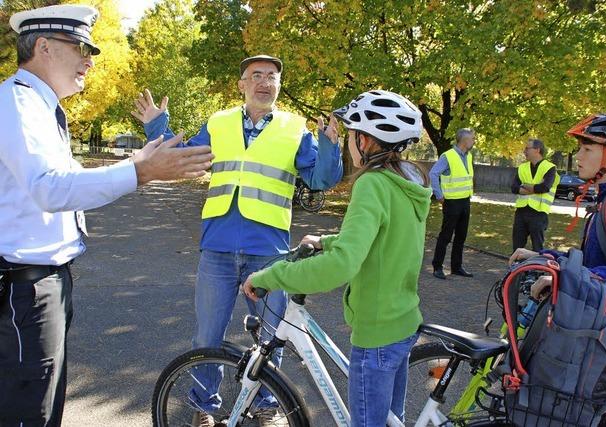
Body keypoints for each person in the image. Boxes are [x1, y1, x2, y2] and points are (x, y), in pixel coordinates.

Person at [0, 5, 213, 427]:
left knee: (40, 405)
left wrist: (134, 163)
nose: (90, 59)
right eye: (80, 47)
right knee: (28, 413)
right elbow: (51, 187)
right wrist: (139, 172)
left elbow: (64, 179)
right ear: (43, 46)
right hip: (24, 287)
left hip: (42, 283)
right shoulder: (19, 103)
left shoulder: (37, 105)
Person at [132, 55, 342, 425]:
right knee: (207, 338)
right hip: (218, 248)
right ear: (242, 84)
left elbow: (322, 180)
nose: (264, 82)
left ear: (278, 86)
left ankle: (265, 404)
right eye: (256, 76)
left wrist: (328, 146)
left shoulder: (296, 128)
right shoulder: (220, 122)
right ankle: (204, 407)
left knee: (270, 338)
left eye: (272, 77)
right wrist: (156, 127)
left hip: (270, 253)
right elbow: (183, 157)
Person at [242, 89, 431, 426]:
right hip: (403, 321)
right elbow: (384, 240)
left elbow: (341, 266)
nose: (347, 143)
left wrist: (271, 275)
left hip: (376, 334)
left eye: (351, 135)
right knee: (391, 420)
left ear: (367, 140)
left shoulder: (372, 184)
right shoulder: (406, 182)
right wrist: (328, 240)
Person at [510, 113, 606, 363]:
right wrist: (545, 255)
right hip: (602, 320)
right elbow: (593, 262)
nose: (578, 156)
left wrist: (568, 277)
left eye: (587, 149)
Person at [429, 128, 475, 280]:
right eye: (472, 139)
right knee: (446, 236)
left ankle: (456, 267)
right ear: (465, 141)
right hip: (452, 202)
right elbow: (433, 173)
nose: (474, 141)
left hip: (465, 201)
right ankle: (437, 266)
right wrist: (439, 195)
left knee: (461, 236)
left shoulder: (468, 157)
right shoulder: (448, 156)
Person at [511, 138, 560, 252]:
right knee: (517, 247)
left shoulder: (550, 167)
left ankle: (535, 270)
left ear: (537, 150)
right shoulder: (522, 167)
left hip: (539, 213)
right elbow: (514, 188)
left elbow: (545, 187)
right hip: (521, 212)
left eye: (527, 148)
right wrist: (534, 187)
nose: (524, 151)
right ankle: (516, 269)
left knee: (537, 249)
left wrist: (525, 186)